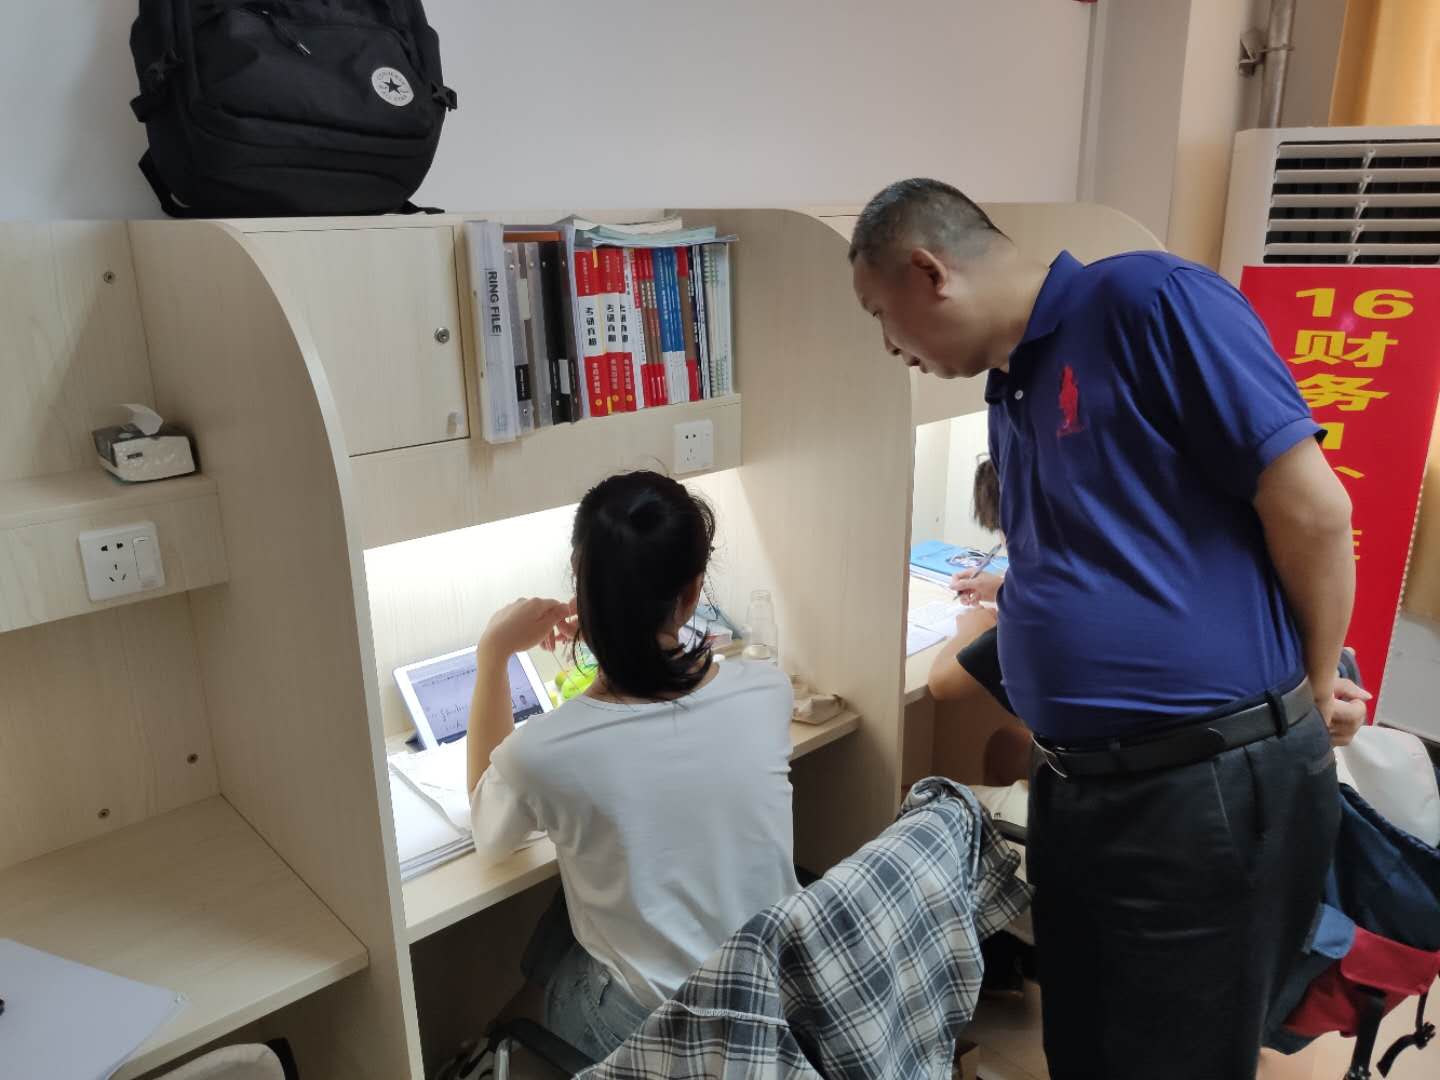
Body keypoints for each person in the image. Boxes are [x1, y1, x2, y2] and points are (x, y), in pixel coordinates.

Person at [851, 178, 1358, 1079]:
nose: (890, 348)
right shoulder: (1011, 389)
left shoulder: (1147, 301)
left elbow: (1314, 513)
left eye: (882, 318)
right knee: (1085, 1048)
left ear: (929, 272)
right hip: (1085, 788)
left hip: (1197, 786)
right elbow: (1103, 550)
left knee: (1175, 1059)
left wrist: (1314, 692)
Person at [463, 471, 799, 1060]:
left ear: (580, 582)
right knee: (585, 891)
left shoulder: (544, 751)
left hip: (660, 1032)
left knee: (578, 907)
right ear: (693, 592)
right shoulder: (767, 690)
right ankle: (503, 1035)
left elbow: (488, 834)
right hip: (767, 991)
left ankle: (500, 1044)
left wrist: (493, 656)